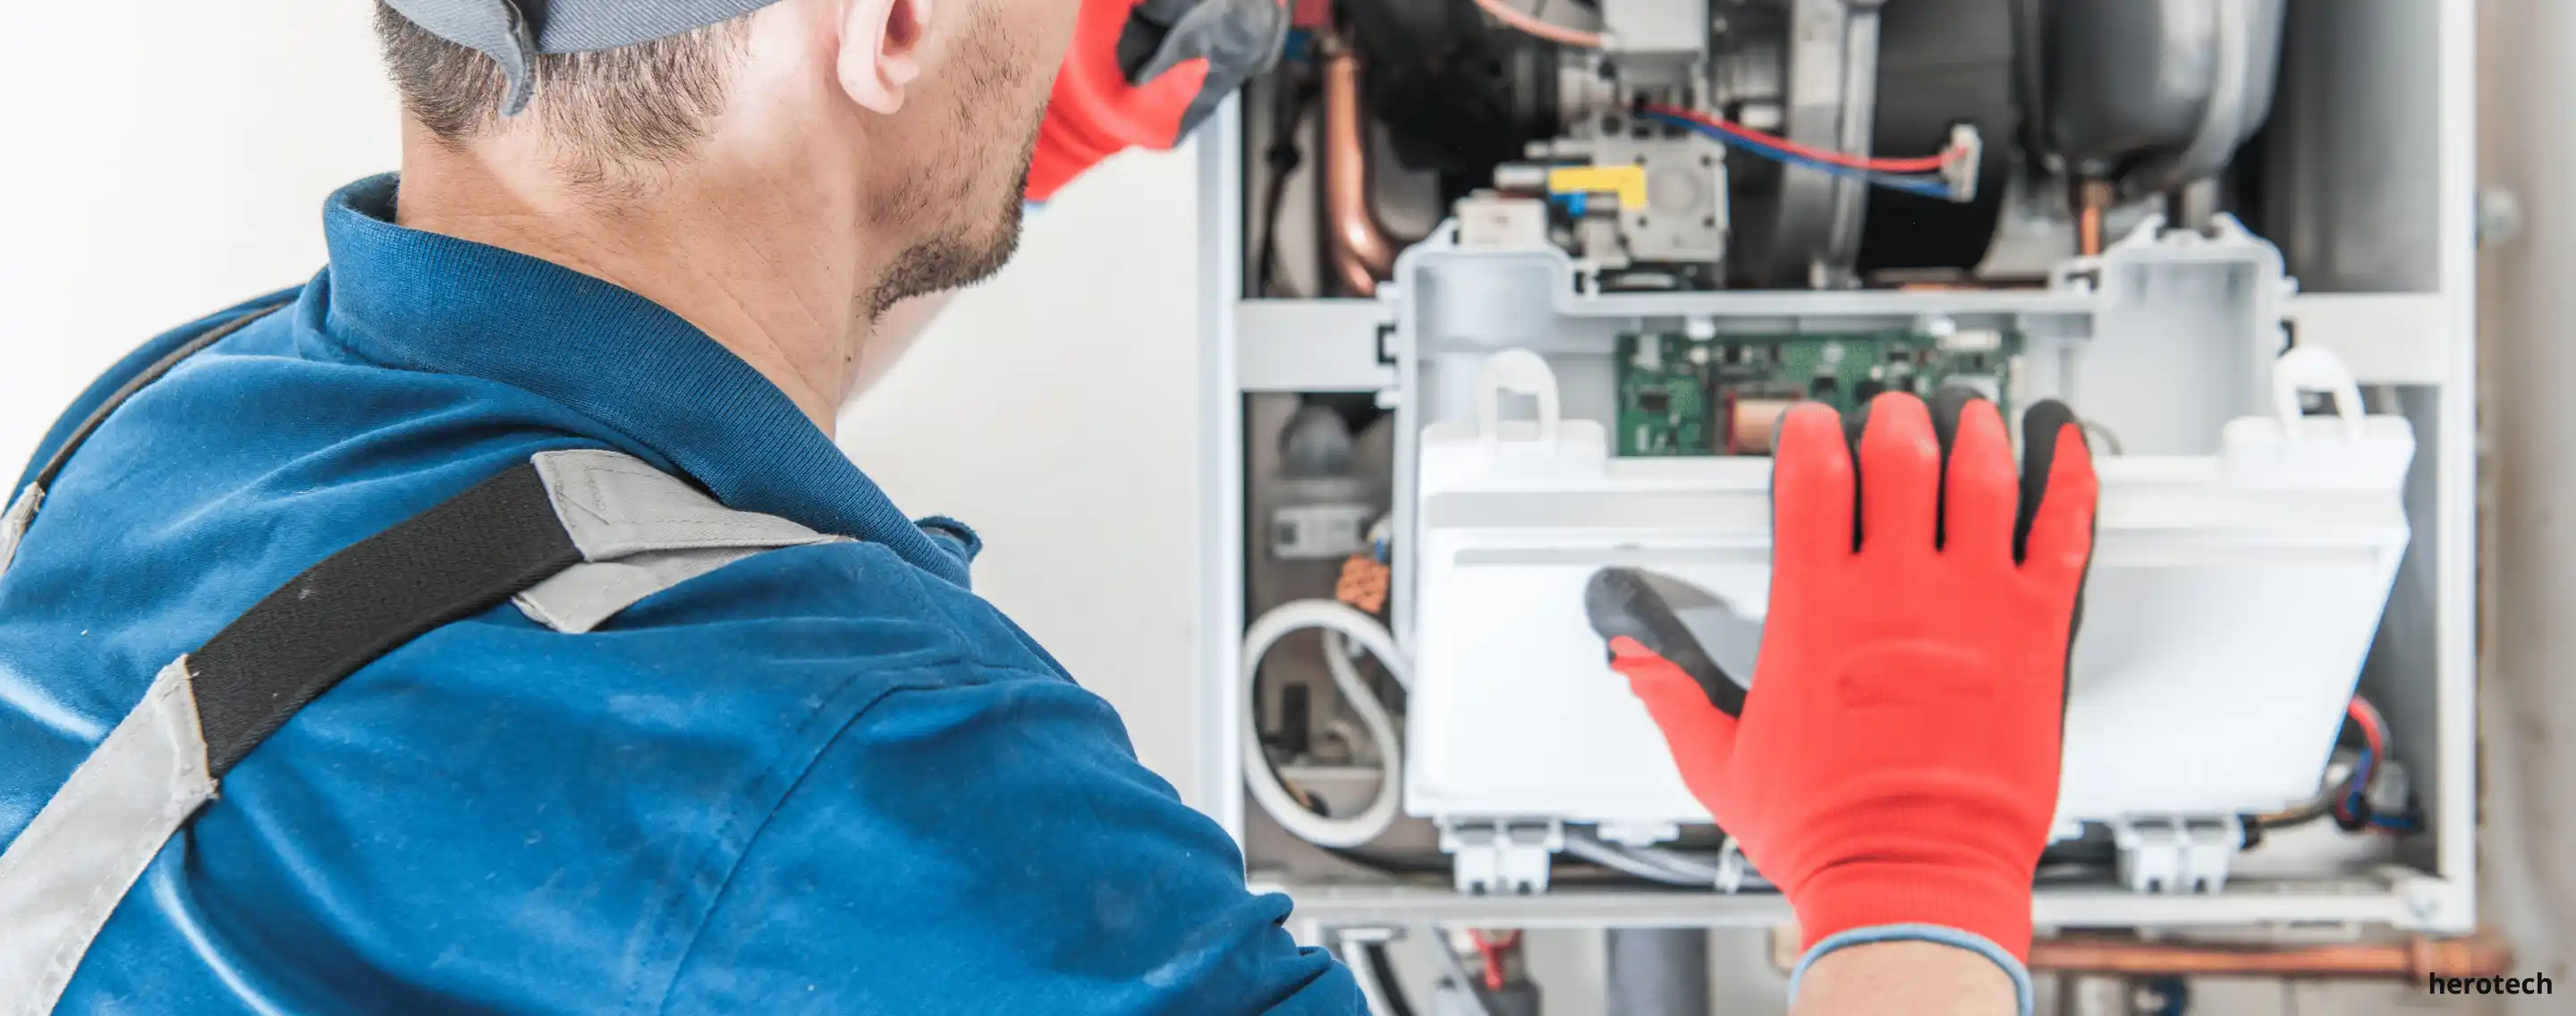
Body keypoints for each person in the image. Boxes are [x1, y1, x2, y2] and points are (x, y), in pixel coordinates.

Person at [0, 0, 2094, 1012]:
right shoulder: (874, 789)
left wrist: (994, 140)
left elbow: (614, 470)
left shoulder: (180, 427)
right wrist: (1914, 877)